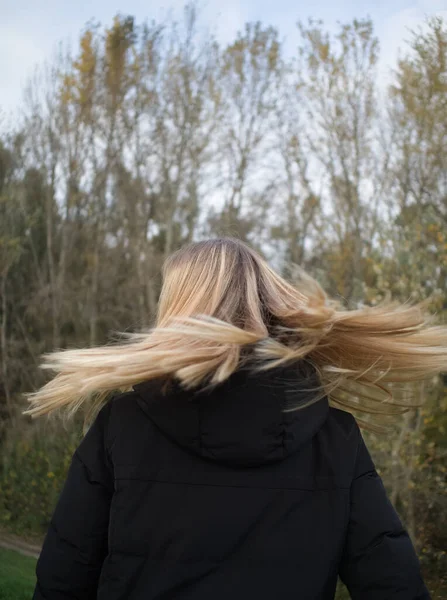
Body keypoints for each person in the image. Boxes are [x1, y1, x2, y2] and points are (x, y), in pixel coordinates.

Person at [25, 236, 443, 599]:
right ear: (266, 302)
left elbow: (65, 577)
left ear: (177, 307)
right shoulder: (336, 438)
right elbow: (393, 584)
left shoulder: (121, 425)